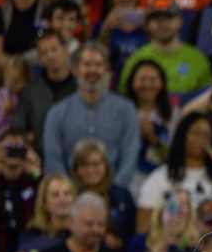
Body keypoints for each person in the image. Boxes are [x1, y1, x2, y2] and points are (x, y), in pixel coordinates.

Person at [42, 42, 140, 189]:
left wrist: (112, 193)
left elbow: (130, 158)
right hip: (70, 198)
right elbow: (53, 159)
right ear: (75, 69)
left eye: (98, 65)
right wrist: (69, 192)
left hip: (114, 194)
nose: (93, 70)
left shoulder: (126, 110)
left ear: (107, 70)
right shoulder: (57, 113)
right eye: (87, 64)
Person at [136, 113, 212, 233]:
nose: (201, 139)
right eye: (195, 133)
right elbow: (143, 233)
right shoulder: (160, 179)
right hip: (182, 249)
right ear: (181, 136)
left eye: (206, 135)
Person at [117, 0, 212, 97]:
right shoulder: (135, 60)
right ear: (148, 24)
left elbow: (208, 99)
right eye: (157, 20)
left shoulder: (198, 59)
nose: (163, 24)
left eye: (168, 18)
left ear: (180, 21)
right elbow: (123, 102)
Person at [10, 30, 75, 157]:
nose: (50, 56)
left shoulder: (81, 89)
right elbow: (17, 130)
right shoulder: (30, 91)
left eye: (54, 49)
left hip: (77, 160)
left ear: (66, 49)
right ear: (39, 58)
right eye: (44, 52)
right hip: (39, 160)